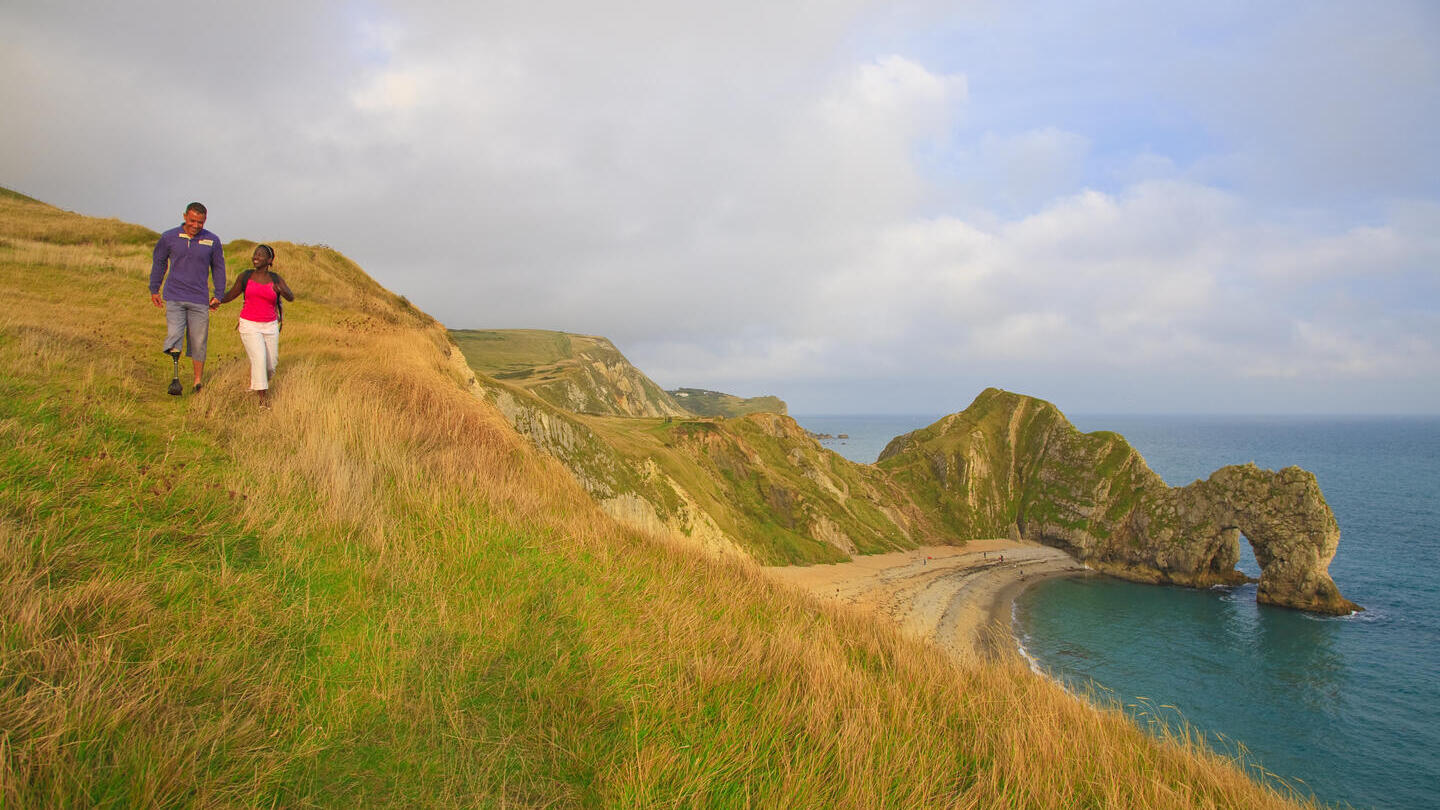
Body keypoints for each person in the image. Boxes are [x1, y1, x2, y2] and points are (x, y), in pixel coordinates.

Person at [150, 202, 225, 393]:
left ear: (205, 220)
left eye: (200, 222)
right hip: (174, 295)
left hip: (199, 299)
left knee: (198, 340)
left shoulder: (212, 241)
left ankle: (197, 382)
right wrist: (154, 289)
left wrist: (219, 295)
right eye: (192, 220)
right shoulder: (169, 237)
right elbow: (159, 263)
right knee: (174, 335)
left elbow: (218, 268)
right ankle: (175, 379)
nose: (196, 225)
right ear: (184, 217)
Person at [218, 243, 294, 407]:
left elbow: (291, 297)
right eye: (255, 254)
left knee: (270, 366)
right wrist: (217, 300)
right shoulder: (245, 276)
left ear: (270, 260)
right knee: (259, 358)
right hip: (249, 324)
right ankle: (262, 401)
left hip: (270, 326)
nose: (256, 257)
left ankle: (256, 385)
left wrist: (281, 289)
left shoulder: (276, 278)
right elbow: (232, 294)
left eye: (260, 255)